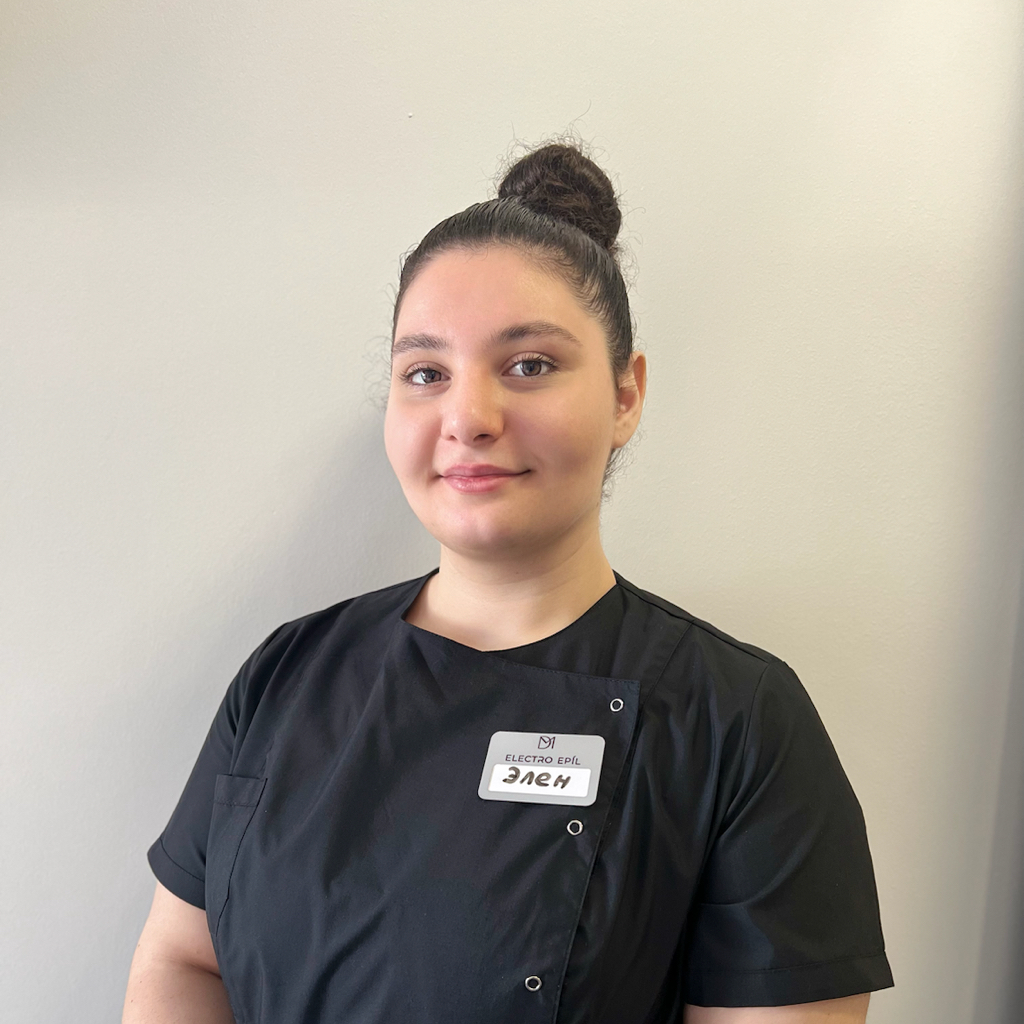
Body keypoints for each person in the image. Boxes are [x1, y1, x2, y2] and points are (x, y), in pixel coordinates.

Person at [123, 142, 894, 1024]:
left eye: (529, 365)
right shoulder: (286, 673)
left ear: (626, 396)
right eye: (426, 373)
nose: (468, 418)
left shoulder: (738, 721)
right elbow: (185, 959)